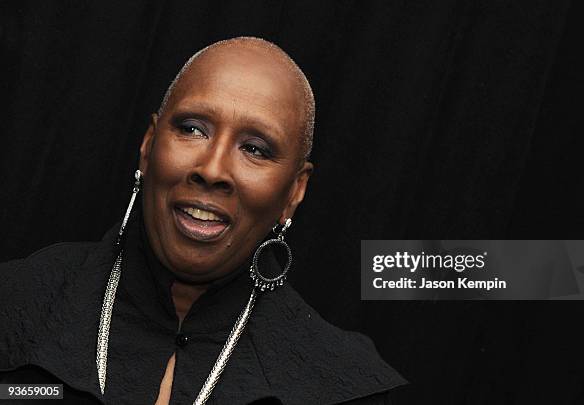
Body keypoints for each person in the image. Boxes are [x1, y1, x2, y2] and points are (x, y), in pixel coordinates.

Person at [0, 37, 406, 404]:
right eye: (193, 129)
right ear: (148, 147)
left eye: (256, 149)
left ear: (294, 192)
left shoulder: (344, 388)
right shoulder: (16, 304)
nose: (212, 170)